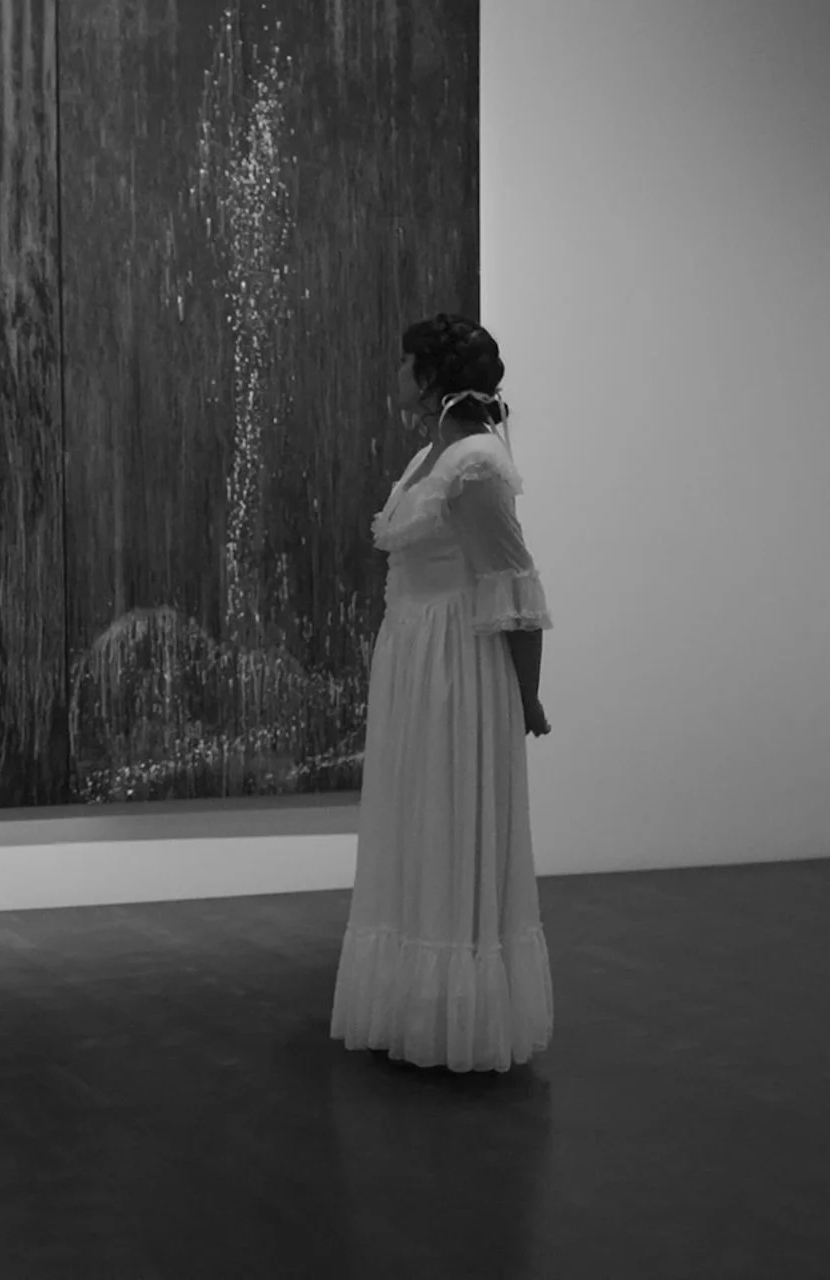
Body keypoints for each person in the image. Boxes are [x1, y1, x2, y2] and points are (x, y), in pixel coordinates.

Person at [328, 314, 556, 1073]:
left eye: (403, 364)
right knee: (418, 819)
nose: (394, 376)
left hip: (459, 665)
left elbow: (513, 583)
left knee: (453, 816)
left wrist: (529, 697)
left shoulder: (478, 467)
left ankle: (459, 1012)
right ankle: (417, 1006)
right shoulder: (433, 454)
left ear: (427, 377)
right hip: (415, 660)